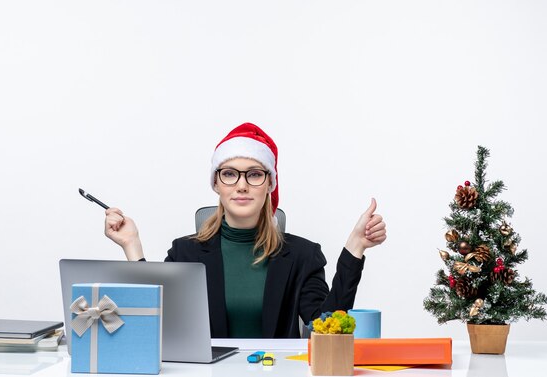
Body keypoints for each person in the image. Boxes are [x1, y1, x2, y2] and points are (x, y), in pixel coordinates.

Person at [104, 122, 387, 338]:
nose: (241, 185)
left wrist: (355, 248)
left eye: (254, 174)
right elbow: (160, 325)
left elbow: (324, 328)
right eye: (229, 173)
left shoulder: (303, 255)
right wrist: (132, 246)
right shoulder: (185, 252)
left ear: (270, 185)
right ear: (216, 184)